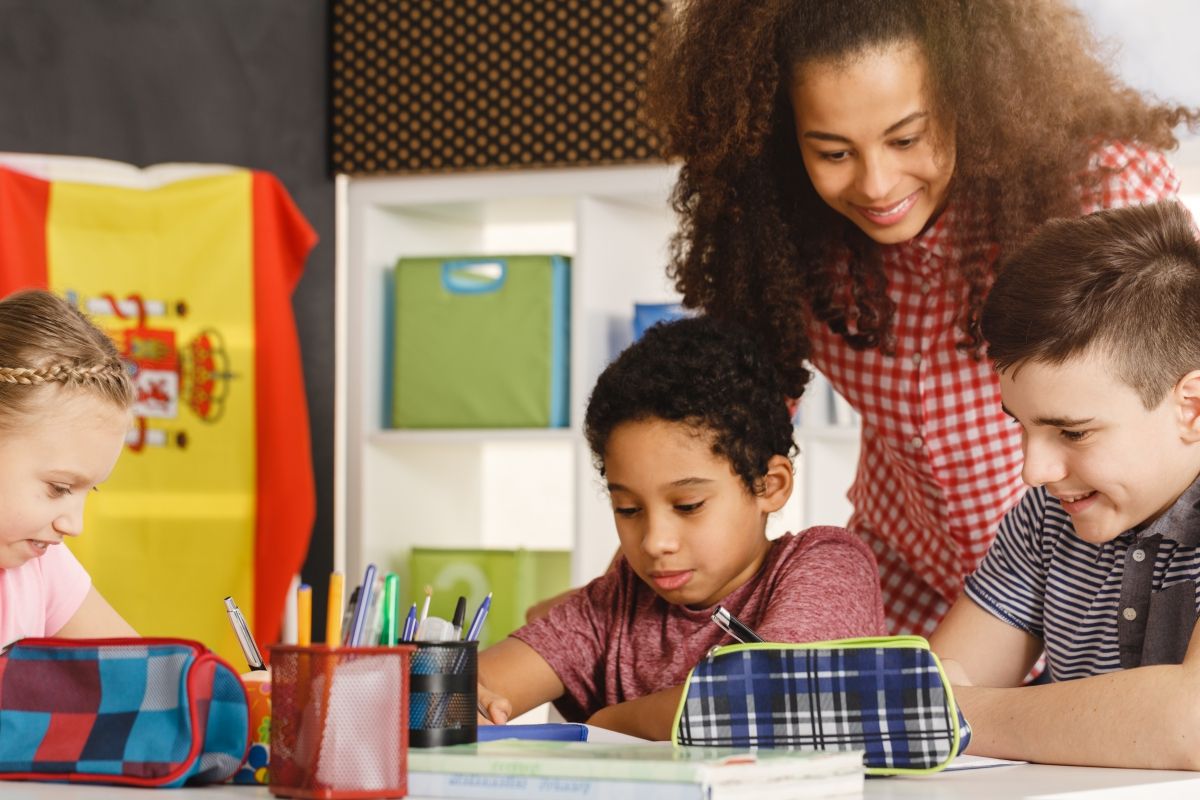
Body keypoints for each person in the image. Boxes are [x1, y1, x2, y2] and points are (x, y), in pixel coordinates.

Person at [641, 0, 1199, 636]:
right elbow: (720, 436)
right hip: (907, 576)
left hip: (1087, 579)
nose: (877, 184)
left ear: (974, 97)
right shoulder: (778, 241)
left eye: (907, 138)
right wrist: (615, 614)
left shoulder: (1096, 193)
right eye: (832, 152)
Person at [478, 316, 887, 740]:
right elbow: (460, 693)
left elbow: (773, 699)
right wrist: (454, 698)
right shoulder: (615, 604)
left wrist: (605, 723)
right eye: (629, 508)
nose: (656, 542)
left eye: (688, 505)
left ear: (770, 485)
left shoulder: (830, 566)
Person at [928, 201, 1200, 770]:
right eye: (1019, 424)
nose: (1034, 470)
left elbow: (1189, 725)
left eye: (1072, 432)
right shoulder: (1046, 520)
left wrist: (957, 714)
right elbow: (924, 698)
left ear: (1192, 407)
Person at [0, 288, 137, 648]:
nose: (74, 525)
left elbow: (147, 679)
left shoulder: (40, 566)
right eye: (58, 488)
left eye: (87, 490)